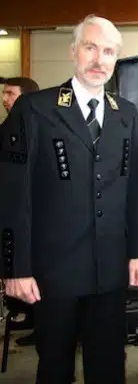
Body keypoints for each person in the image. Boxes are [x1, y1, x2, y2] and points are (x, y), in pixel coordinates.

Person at [0, 15, 138, 384]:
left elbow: (135, 187)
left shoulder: (126, 115)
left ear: (116, 59)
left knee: (109, 366)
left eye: (109, 52)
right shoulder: (35, 110)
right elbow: (12, 195)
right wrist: (14, 268)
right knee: (54, 365)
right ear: (74, 52)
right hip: (53, 271)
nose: (100, 59)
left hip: (110, 269)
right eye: (91, 47)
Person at [0, 76, 40, 346]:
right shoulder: (7, 128)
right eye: (4, 94)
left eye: (10, 94)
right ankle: (28, 316)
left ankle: (42, 325)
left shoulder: (34, 129)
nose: (5, 99)